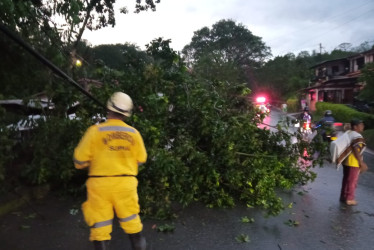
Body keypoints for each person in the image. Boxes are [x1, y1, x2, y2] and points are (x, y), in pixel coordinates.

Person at [73, 92, 147, 250]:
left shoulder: (95, 131)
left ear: (108, 108)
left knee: (100, 229)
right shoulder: (134, 134)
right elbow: (141, 160)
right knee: (133, 227)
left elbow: (79, 160)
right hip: (126, 184)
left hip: (99, 185)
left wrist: (93, 163)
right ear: (127, 113)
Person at [340, 119, 368, 206]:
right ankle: (349, 198)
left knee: (346, 179)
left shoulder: (349, 133)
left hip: (346, 160)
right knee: (352, 181)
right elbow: (356, 149)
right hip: (353, 162)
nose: (362, 126)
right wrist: (361, 162)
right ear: (355, 127)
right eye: (361, 125)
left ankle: (343, 196)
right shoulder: (357, 136)